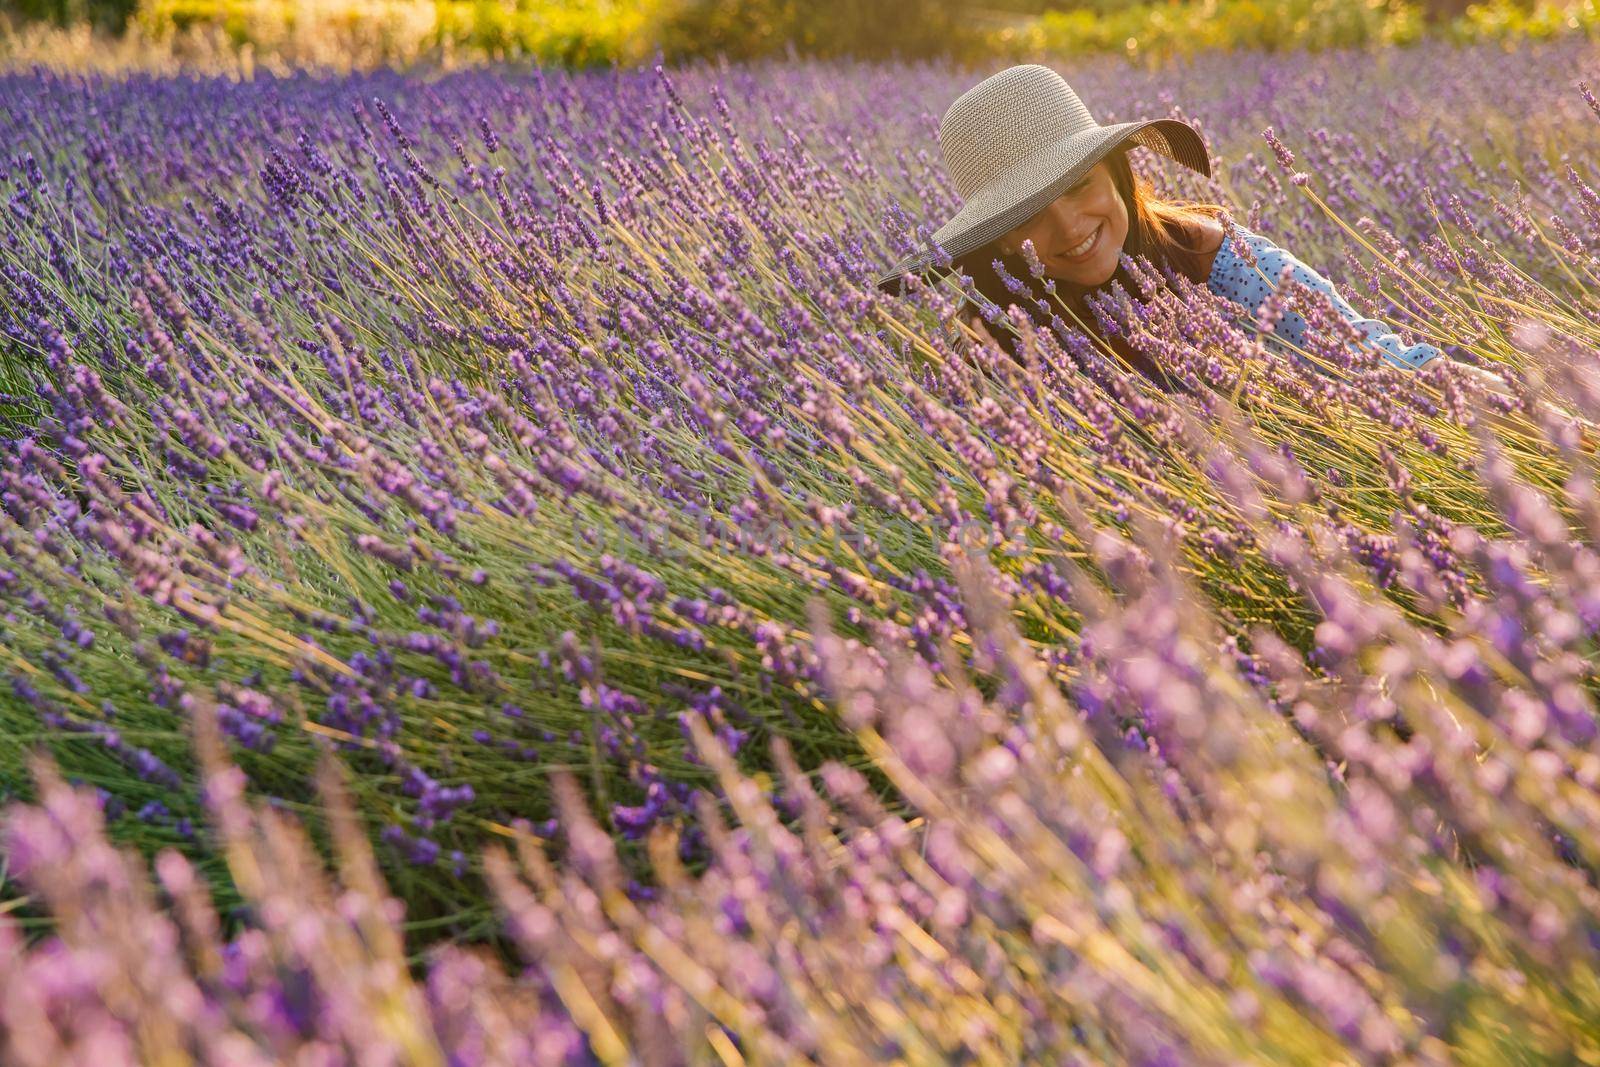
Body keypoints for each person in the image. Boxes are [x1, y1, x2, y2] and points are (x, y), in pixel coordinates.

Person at [874, 64, 1489, 390]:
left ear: (1116, 173)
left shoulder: (1221, 261)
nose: (1068, 228)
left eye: (1078, 186)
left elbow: (1377, 362)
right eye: (1029, 217)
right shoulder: (987, 344)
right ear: (998, 243)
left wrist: (1542, 424)